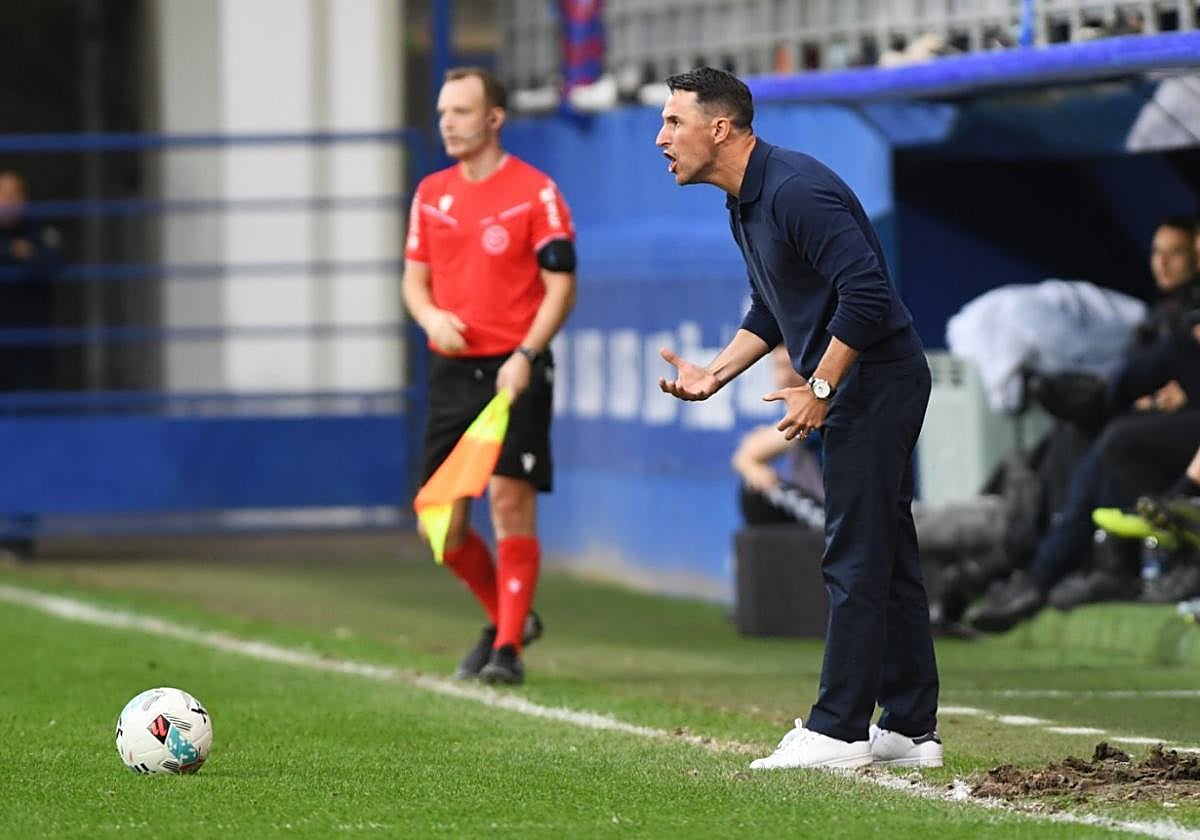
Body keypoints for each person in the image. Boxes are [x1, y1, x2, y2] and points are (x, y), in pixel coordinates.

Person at [654, 67, 941, 770]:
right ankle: (910, 728)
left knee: (854, 555)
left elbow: (867, 293)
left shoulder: (794, 190)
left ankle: (838, 729)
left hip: (876, 382)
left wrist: (820, 383)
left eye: (674, 122)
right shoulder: (745, 201)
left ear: (721, 129)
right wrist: (715, 373)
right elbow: (770, 306)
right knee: (886, 557)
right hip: (861, 384)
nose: (662, 138)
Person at [402, 67, 577, 685]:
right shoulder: (431, 194)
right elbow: (414, 282)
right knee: (440, 524)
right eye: (442, 112)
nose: (447, 123)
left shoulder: (536, 192)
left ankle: (507, 651)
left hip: (514, 369)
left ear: (494, 119)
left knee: (508, 502)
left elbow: (561, 287)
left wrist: (526, 354)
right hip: (452, 372)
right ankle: (508, 617)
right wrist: (431, 316)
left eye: (460, 111)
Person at [732, 344, 825, 530]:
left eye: (792, 367)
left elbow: (747, 454)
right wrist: (754, 468)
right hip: (827, 508)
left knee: (758, 494)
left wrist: (751, 464)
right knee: (756, 484)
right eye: (779, 367)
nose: (785, 377)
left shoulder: (819, 407)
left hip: (839, 519)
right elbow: (748, 451)